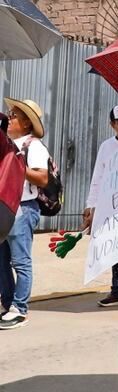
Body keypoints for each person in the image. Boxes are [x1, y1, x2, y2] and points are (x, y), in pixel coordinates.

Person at [0, 98, 50, 330]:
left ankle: (20, 309)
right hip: (5, 208)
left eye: (14, 115)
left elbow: (42, 178)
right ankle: (8, 304)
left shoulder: (34, 146)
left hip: (24, 208)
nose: (9, 117)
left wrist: (19, 165)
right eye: (10, 113)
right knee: (2, 261)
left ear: (27, 124)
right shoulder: (6, 143)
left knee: (20, 261)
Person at [83, 104, 118, 308]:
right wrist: (91, 205)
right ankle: (117, 291)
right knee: (114, 249)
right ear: (112, 124)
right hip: (112, 207)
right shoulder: (107, 147)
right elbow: (98, 178)